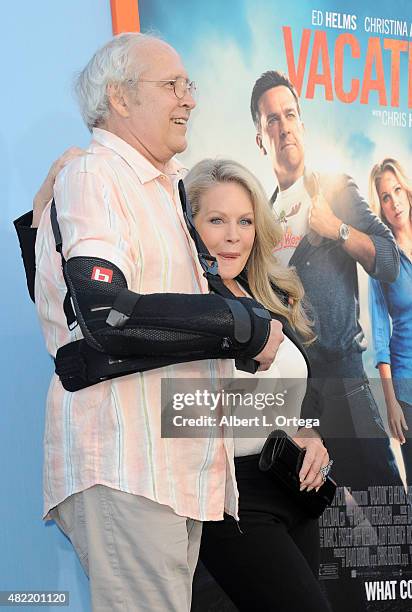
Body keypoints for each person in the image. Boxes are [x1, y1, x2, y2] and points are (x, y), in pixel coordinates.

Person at [14, 33, 290, 612]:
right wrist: (243, 325)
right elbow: (107, 314)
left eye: (188, 85)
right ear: (119, 97)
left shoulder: (162, 191)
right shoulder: (94, 175)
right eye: (171, 85)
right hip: (126, 466)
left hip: (168, 471)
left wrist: (243, 324)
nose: (188, 99)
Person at [184, 158, 332, 612]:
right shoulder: (185, 302)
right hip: (233, 499)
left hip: (291, 489)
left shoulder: (268, 294)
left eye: (245, 221)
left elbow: (292, 393)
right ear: (188, 225)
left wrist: (308, 434)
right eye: (217, 220)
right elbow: (184, 410)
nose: (234, 236)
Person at [249, 70, 402, 490]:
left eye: (290, 114)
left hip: (343, 382)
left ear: (303, 123)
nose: (284, 127)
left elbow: (389, 261)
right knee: (324, 528)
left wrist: (337, 228)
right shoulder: (262, 215)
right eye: (272, 121)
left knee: (385, 511)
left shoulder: (333, 189)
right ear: (261, 139)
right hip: (294, 393)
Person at [368, 158, 412, 483]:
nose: (394, 201)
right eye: (385, 196)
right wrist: (391, 403)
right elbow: (380, 337)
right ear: (380, 207)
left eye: (397, 190)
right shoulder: (382, 258)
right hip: (406, 387)